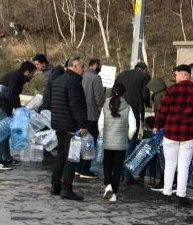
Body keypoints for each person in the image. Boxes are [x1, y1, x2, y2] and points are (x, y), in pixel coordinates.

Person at [155, 64, 193, 207]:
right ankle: (181, 196)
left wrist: (157, 125)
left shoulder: (172, 90)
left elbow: (163, 110)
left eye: (177, 74)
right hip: (188, 135)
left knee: (170, 165)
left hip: (171, 133)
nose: (175, 77)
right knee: (184, 166)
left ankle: (166, 193)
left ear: (183, 75)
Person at [47, 56, 88, 201]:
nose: (84, 70)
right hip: (70, 125)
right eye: (82, 67)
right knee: (72, 157)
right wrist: (83, 124)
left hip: (59, 123)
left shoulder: (58, 80)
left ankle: (55, 185)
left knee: (61, 155)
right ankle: (66, 188)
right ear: (75, 66)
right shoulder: (73, 82)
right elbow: (75, 105)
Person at [0, 61, 36, 170]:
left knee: (6, 133)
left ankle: (7, 159)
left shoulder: (18, 77)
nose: (32, 76)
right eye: (32, 74)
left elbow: (15, 95)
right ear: (26, 72)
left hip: (5, 106)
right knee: (1, 132)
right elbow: (13, 94)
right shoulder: (16, 77)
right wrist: (18, 108)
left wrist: (18, 107)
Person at [98, 83, 136, 202]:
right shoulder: (128, 108)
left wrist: (103, 135)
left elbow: (100, 124)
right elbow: (133, 127)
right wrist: (128, 136)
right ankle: (114, 193)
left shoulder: (105, 106)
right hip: (121, 143)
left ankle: (108, 185)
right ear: (124, 93)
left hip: (108, 142)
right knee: (117, 168)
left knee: (107, 165)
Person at [116, 61, 151, 183]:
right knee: (131, 144)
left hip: (119, 112)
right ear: (144, 70)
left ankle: (118, 174)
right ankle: (128, 176)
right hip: (133, 112)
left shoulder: (121, 74)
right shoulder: (144, 76)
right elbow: (145, 95)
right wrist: (148, 104)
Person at [77, 57, 105, 179]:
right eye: (100, 65)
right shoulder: (96, 78)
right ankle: (86, 170)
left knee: (80, 142)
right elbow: (99, 99)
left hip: (81, 114)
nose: (101, 67)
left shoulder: (81, 76)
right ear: (94, 65)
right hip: (93, 115)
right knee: (90, 143)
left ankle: (78, 168)